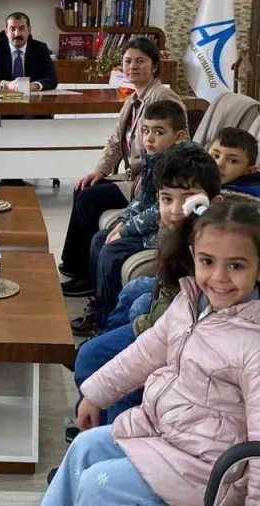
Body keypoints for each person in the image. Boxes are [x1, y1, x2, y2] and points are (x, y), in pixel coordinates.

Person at [0, 194, 260, 506]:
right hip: (172, 440)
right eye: (207, 261)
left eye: (236, 265)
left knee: (100, 488)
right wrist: (97, 394)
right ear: (193, 255)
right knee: (85, 448)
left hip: (215, 472)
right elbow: (144, 353)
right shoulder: (192, 304)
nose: (219, 277)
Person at [72, 142, 222, 425]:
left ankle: (110, 433)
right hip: (161, 323)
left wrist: (143, 326)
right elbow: (165, 293)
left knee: (115, 381)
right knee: (91, 355)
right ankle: (93, 421)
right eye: (166, 199)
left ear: (214, 204)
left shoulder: (215, 252)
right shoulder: (172, 230)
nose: (176, 210)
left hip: (179, 341)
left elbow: (187, 320)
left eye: (189, 199)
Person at [58, 37, 185, 297]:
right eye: (128, 61)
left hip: (149, 182)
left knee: (89, 198)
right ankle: (74, 267)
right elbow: (116, 141)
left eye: (140, 61)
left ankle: (84, 276)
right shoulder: (132, 98)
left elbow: (179, 146)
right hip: (131, 177)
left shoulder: (162, 97)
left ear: (154, 66)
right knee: (84, 187)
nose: (132, 66)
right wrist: (101, 170)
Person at [71, 99, 188, 336]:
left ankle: (106, 321)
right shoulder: (154, 156)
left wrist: (125, 231)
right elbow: (143, 198)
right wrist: (123, 221)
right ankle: (99, 305)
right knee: (99, 239)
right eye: (146, 131)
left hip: (167, 231)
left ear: (179, 136)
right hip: (152, 225)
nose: (149, 138)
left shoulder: (181, 164)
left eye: (158, 132)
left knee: (111, 251)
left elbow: (160, 209)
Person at [0, 12, 58, 93]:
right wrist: (6, 84)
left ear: (29, 30)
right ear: (6, 32)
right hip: (2, 98)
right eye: (12, 29)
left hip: (32, 97)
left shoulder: (41, 48)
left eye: (21, 28)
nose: (17, 33)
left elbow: (52, 79)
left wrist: (33, 85)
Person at [209, 126, 260, 203]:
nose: (219, 164)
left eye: (232, 161)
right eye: (215, 156)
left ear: (249, 171)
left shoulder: (248, 200)